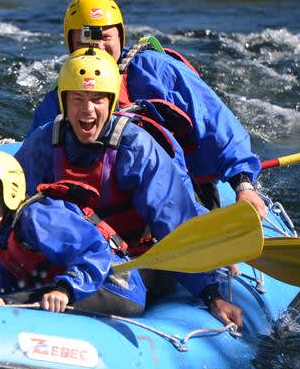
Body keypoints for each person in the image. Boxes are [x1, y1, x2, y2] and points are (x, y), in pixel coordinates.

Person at [16, 48, 244, 327]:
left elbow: (174, 223)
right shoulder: (43, 143)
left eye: (97, 100)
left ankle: (28, 303)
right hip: (72, 256)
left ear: (111, 103)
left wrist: (212, 294)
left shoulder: (135, 148)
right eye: (78, 99)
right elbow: (11, 200)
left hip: (134, 262)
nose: (87, 110)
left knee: (123, 291)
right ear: (63, 102)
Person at [29, 0, 266, 216]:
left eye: (106, 37)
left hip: (182, 188)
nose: (98, 47)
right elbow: (37, 156)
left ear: (120, 37)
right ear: (71, 44)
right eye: (88, 38)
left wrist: (243, 184)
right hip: (103, 205)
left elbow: (214, 121)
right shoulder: (61, 97)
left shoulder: (156, 69)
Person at [0, 151, 146, 315]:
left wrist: (67, 288)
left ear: (9, 189)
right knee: (2, 300)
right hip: (85, 289)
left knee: (8, 305)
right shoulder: (7, 231)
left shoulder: (36, 217)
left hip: (112, 287)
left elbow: (94, 248)